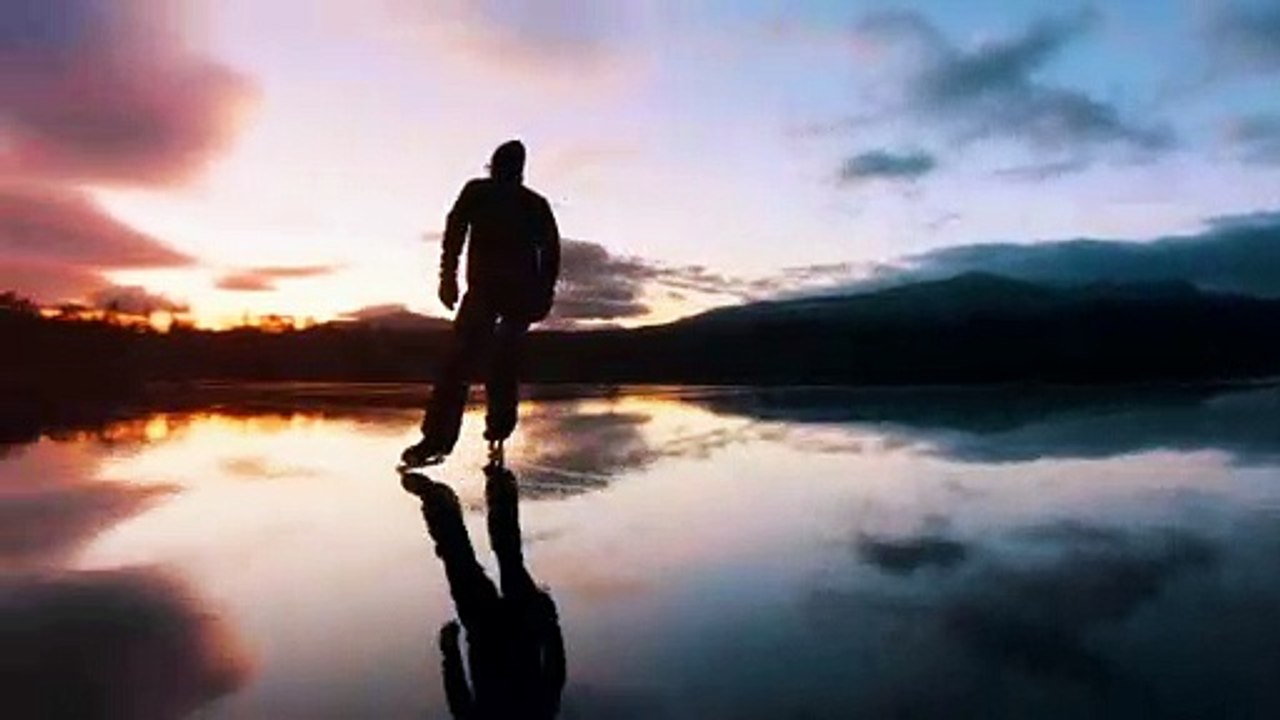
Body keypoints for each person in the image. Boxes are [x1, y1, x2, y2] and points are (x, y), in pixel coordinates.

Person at [402, 140, 560, 468]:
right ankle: (443, 439)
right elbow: (455, 232)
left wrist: (543, 294)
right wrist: (447, 277)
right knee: (465, 364)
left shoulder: (531, 204)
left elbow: (550, 253)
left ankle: (485, 432)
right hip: (487, 293)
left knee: (490, 364)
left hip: (515, 295)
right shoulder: (482, 193)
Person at [402, 466, 566, 719]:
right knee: (492, 558)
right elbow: (554, 674)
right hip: (515, 629)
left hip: (489, 633)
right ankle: (491, 489)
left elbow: (460, 700)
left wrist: (450, 653)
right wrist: (550, 623)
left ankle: (444, 500)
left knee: (469, 563)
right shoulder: (541, 714)